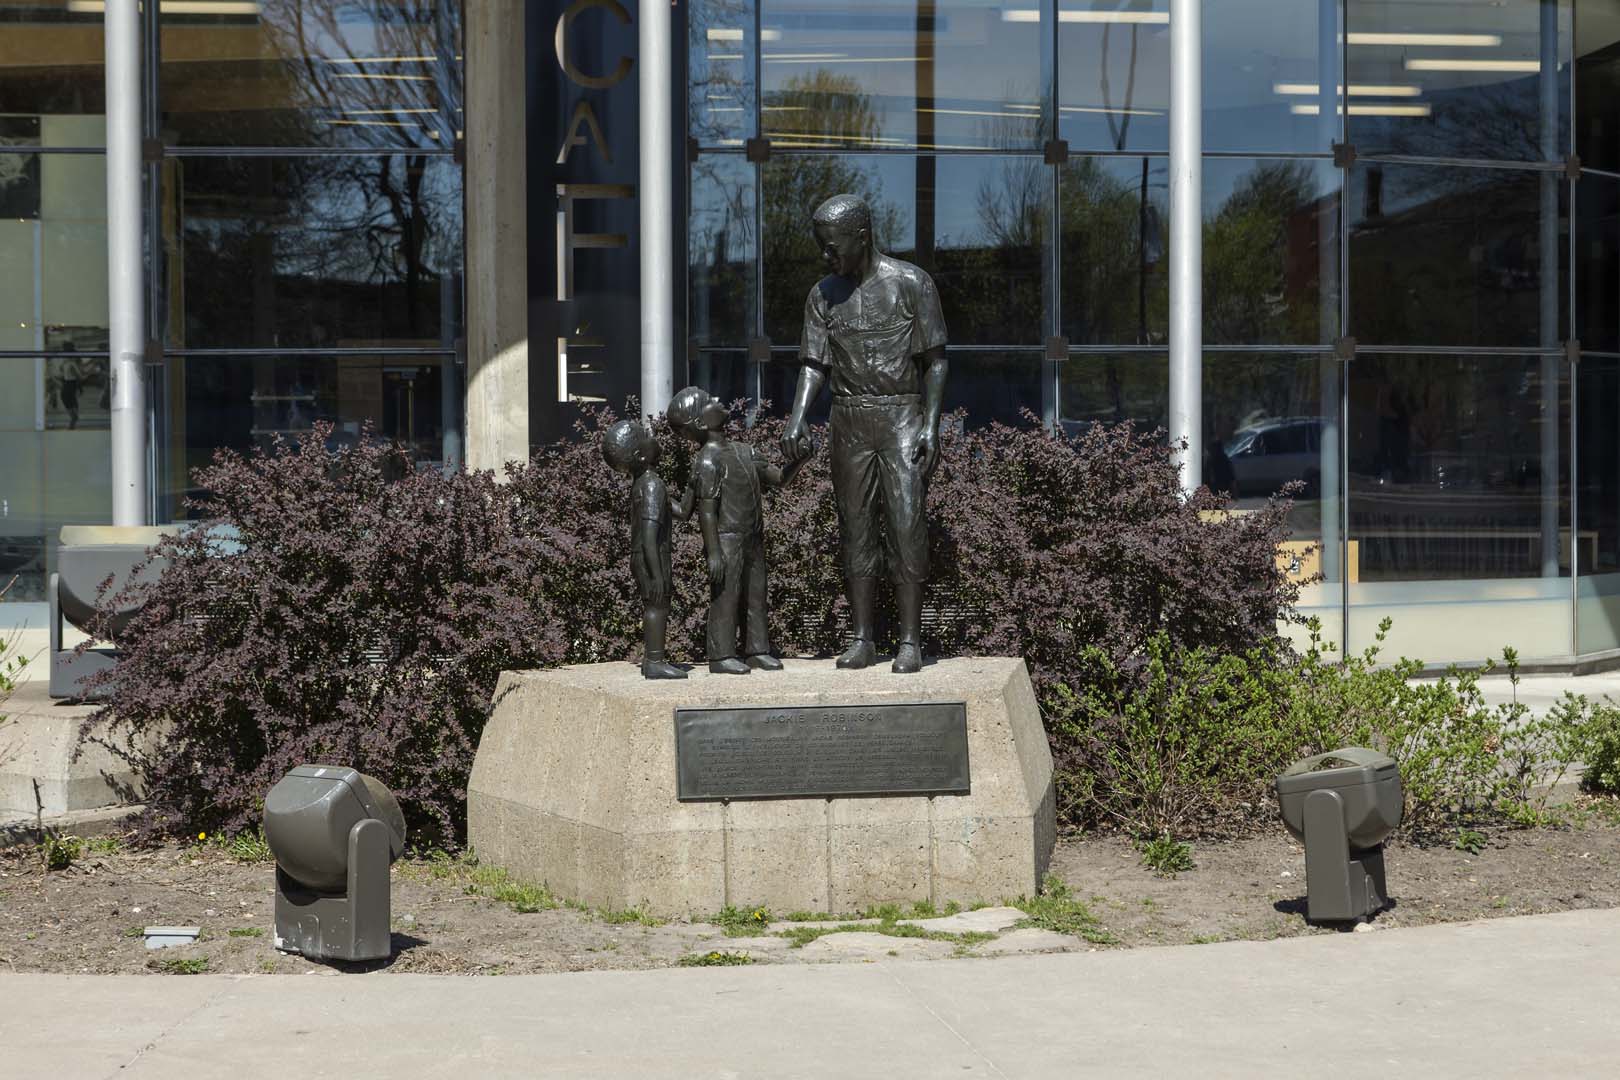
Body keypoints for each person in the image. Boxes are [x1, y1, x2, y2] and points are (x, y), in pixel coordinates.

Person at [781, 193, 948, 674]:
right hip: (849, 419)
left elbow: (935, 362)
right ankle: (862, 637)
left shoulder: (912, 284)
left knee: (906, 525)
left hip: (901, 416)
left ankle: (910, 641)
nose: (826, 256)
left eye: (833, 247)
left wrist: (931, 426)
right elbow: (814, 364)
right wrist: (797, 417)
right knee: (854, 529)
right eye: (822, 247)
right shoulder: (822, 295)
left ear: (861, 236)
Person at [668, 386, 802, 674]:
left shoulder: (745, 451)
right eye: (707, 402)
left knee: (756, 594)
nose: (717, 399)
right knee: (726, 597)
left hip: (753, 537)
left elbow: (778, 479)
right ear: (701, 424)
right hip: (727, 539)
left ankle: (757, 650)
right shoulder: (707, 460)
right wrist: (713, 552)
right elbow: (705, 510)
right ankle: (721, 655)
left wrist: (799, 460)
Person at [601, 419, 685, 680]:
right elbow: (649, 533)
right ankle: (655, 661)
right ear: (641, 454)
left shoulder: (643, 482)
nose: (653, 436)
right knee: (657, 606)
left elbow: (681, 511)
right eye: (646, 436)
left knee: (656, 605)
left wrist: (695, 485)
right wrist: (657, 572)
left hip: (644, 555)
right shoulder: (652, 485)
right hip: (652, 554)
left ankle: (654, 659)